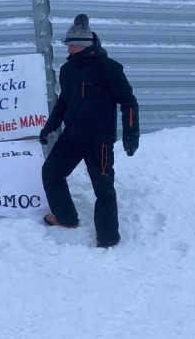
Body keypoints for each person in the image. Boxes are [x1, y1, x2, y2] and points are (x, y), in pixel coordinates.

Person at [39, 14, 139, 248]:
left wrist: (131, 135)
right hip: (72, 137)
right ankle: (65, 217)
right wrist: (50, 126)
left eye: (71, 45)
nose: (68, 48)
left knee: (103, 190)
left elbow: (128, 102)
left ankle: (108, 238)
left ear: (83, 46)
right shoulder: (68, 70)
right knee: (51, 173)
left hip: (99, 141)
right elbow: (64, 102)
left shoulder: (109, 69)